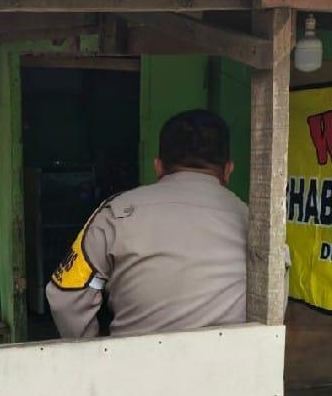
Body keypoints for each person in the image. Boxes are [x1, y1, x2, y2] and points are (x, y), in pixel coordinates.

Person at [46, 110, 248, 338]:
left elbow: (67, 297)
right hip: (233, 358)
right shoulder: (253, 220)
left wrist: (93, 352)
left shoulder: (116, 213)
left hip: (134, 358)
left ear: (158, 166)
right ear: (228, 170)